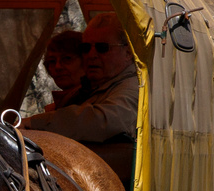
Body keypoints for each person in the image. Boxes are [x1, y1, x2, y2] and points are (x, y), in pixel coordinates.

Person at [24, 15, 138, 143]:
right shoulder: (100, 89)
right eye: (86, 48)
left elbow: (105, 121)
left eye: (102, 48)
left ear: (128, 53)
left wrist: (36, 123)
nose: (91, 55)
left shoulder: (134, 87)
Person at [41, 30, 91, 110]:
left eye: (67, 59)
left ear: (85, 60)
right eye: (52, 61)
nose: (58, 67)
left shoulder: (100, 101)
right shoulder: (60, 106)